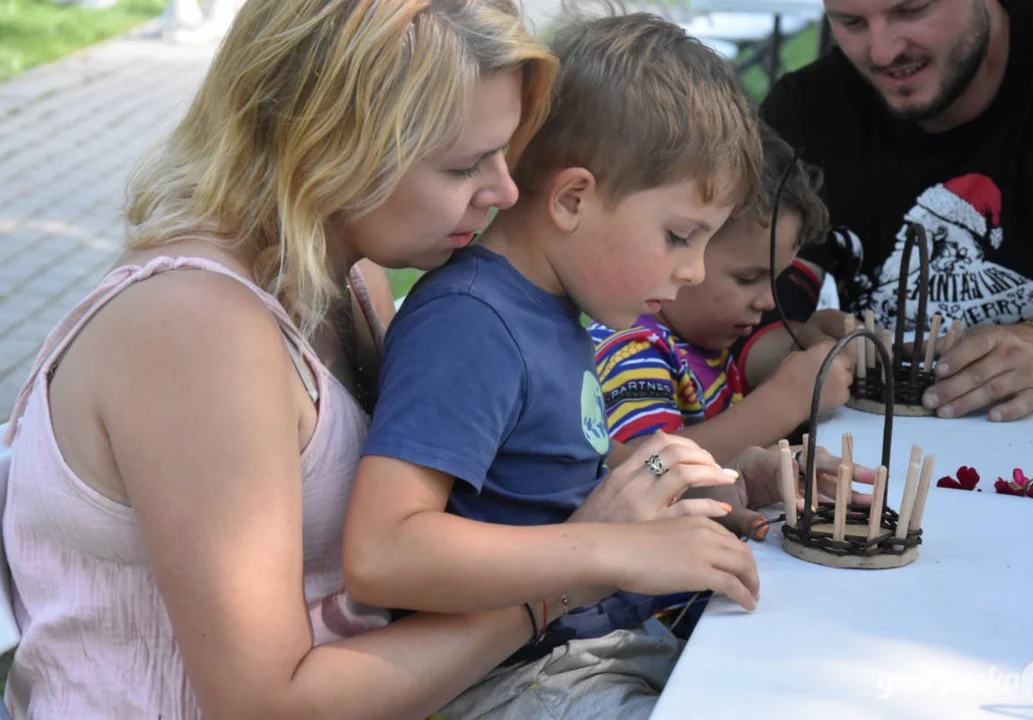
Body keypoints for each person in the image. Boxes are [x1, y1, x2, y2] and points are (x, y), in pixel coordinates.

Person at [0, 2, 740, 718]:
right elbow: (267, 706)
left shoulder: (353, 278)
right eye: (463, 166)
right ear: (330, 144)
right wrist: (573, 574)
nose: (506, 191)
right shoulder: (198, 330)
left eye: (503, 153)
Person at [342, 14, 804, 719]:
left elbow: (552, 469)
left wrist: (719, 484)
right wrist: (611, 550)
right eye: (680, 235)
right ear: (573, 198)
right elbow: (385, 551)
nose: (692, 270)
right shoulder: (472, 322)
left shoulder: (546, 306)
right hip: (510, 680)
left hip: (583, 648)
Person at [754, 0, 1033, 423]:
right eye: (850, 22)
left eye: (912, 10)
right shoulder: (808, 111)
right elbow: (751, 310)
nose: (882, 52)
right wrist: (790, 340)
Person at [589, 123, 875, 538]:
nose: (769, 302)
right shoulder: (631, 346)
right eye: (747, 279)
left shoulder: (706, 343)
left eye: (777, 280)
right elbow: (642, 467)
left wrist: (811, 333)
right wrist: (787, 400)